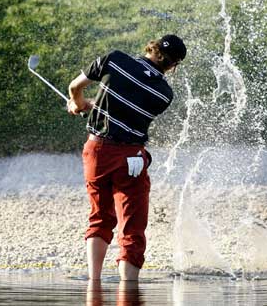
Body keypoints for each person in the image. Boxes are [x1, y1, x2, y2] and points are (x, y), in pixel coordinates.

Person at [67, 34, 187, 281]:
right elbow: (130, 110)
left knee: (100, 217)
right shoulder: (164, 94)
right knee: (132, 228)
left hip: (97, 151)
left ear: (151, 47)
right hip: (131, 158)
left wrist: (79, 104)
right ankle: (128, 288)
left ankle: (94, 282)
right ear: (173, 65)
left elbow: (74, 87)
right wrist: (96, 105)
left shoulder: (114, 59)